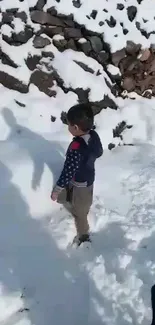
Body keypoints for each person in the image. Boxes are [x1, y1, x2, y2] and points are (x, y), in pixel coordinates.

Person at [51, 103, 103, 246]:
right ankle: (68, 200)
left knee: (80, 212)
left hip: (80, 182)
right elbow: (99, 152)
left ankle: (84, 235)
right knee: (80, 194)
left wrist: (57, 189)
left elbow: (68, 171)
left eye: (69, 125)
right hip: (89, 177)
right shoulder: (93, 135)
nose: (68, 128)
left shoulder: (76, 148)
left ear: (75, 128)